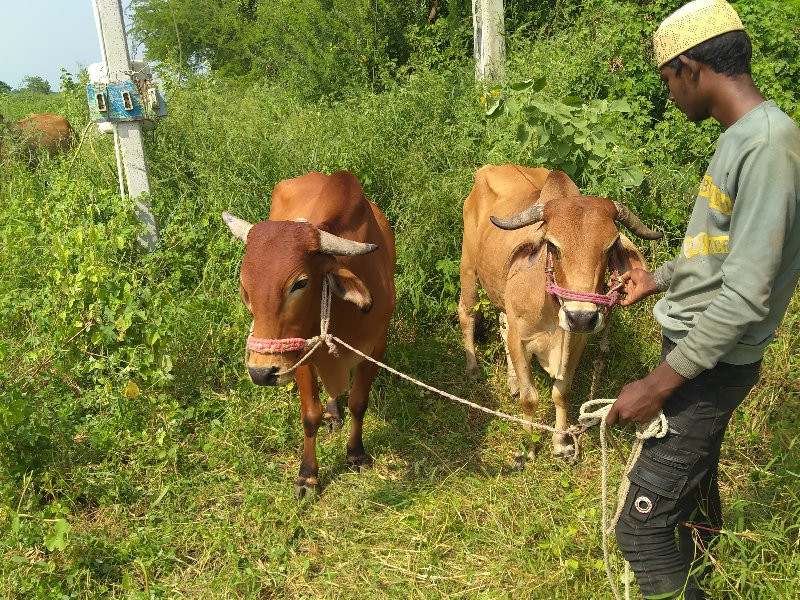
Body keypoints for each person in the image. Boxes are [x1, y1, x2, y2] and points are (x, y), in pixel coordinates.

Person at [605, 0, 800, 598]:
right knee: (692, 492)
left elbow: (743, 297)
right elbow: (720, 251)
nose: (669, 94)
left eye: (667, 80)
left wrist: (657, 385)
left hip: (709, 364)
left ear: (691, 67)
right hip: (696, 348)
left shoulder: (768, 147)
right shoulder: (742, 136)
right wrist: (657, 279)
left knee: (641, 529)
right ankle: (711, 577)